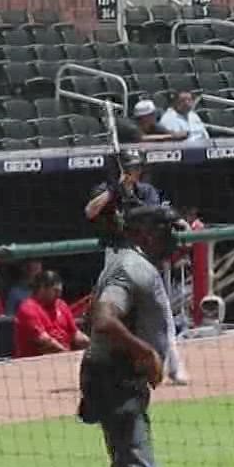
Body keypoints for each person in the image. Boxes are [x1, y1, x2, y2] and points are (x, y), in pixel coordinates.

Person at [78, 204, 185, 467]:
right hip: (116, 379)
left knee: (126, 464)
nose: (171, 237)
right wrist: (146, 353)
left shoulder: (131, 262)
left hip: (114, 378)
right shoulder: (130, 268)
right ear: (142, 233)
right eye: (162, 229)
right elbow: (104, 319)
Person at [84, 152, 188, 385]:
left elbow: (153, 213)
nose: (135, 172)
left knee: (160, 311)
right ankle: (106, 365)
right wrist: (114, 190)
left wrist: (131, 199)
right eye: (130, 167)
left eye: (137, 167)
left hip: (143, 257)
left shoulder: (146, 191)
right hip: (114, 254)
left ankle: (174, 365)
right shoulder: (105, 189)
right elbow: (90, 212)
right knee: (110, 313)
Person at [13, 270, 88, 358]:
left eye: (60, 291)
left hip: (63, 357)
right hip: (35, 361)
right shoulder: (28, 308)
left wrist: (92, 347)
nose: (59, 295)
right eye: (55, 291)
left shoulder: (61, 304)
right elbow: (45, 342)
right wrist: (68, 355)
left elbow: (75, 334)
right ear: (42, 288)